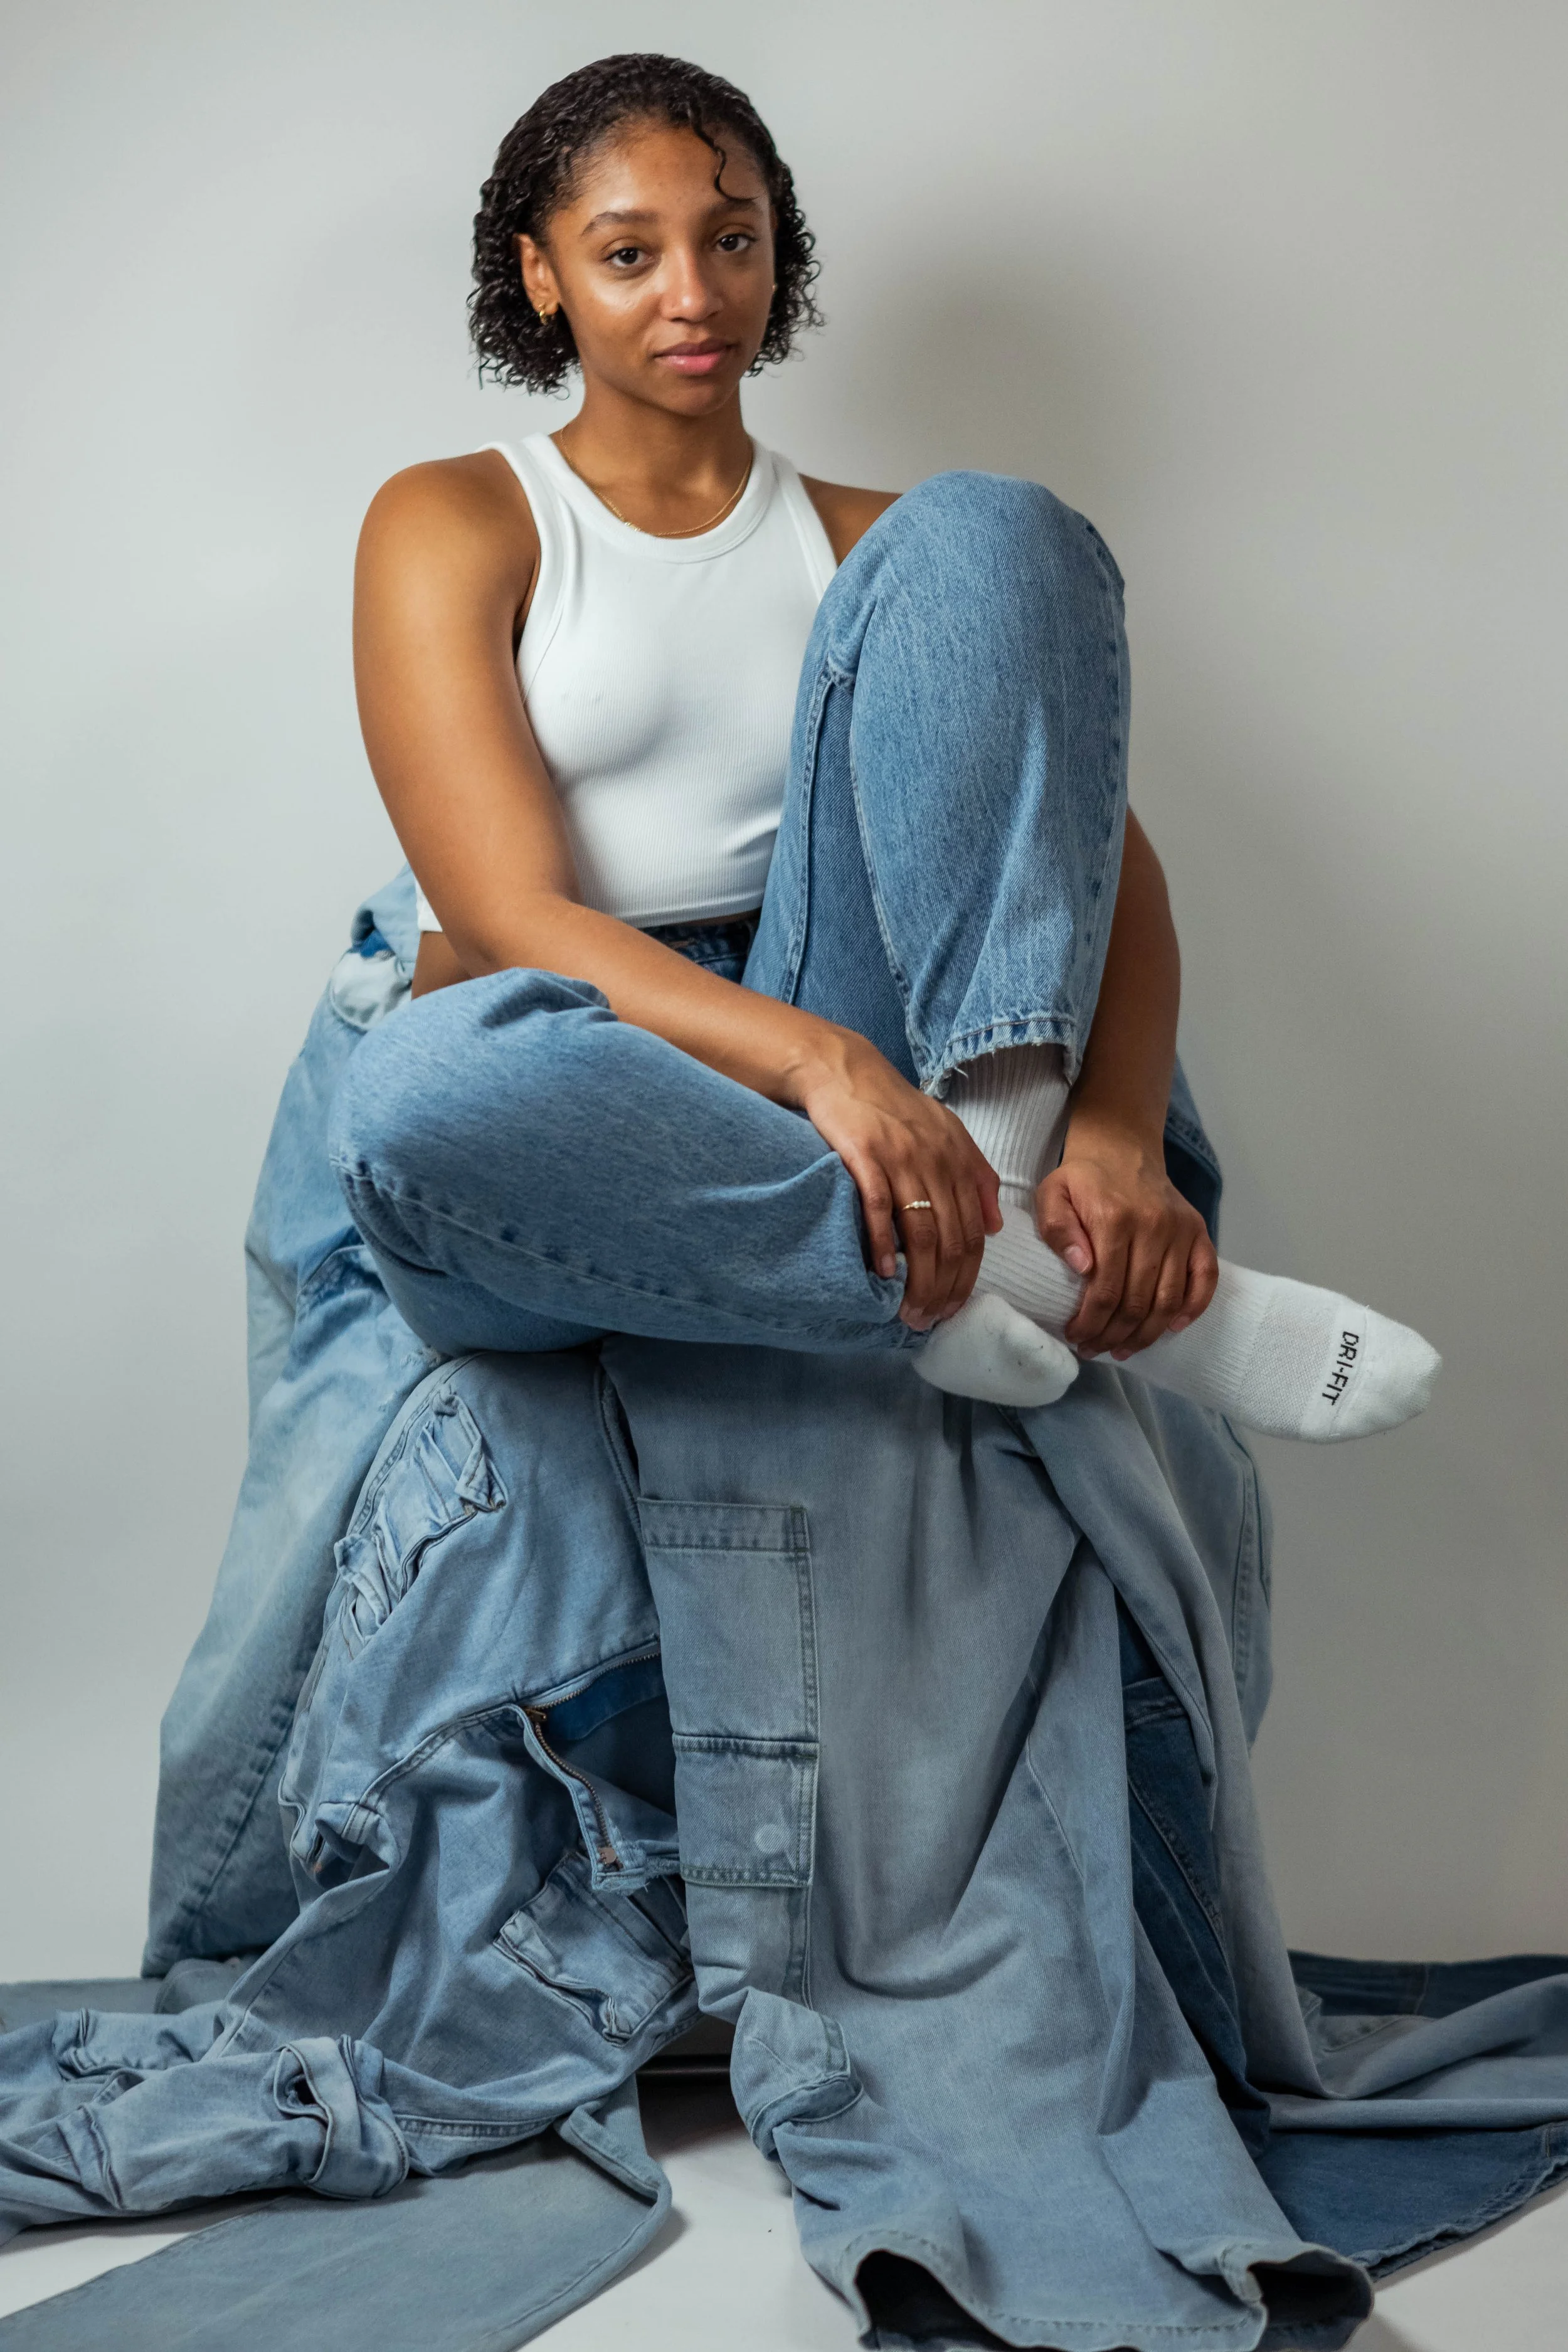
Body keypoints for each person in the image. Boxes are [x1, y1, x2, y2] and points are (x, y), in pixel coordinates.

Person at [336, 49, 1438, 1442]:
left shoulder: (878, 555)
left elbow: (1098, 860)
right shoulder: (459, 517)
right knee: (419, 1094)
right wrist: (820, 1069)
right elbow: (505, 918)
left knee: (989, 520)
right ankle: (1027, 1271)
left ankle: (990, 1165)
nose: (694, 293)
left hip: (846, 998)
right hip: (589, 1058)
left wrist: (1112, 1131)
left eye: (731, 241)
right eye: (628, 254)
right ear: (541, 273)